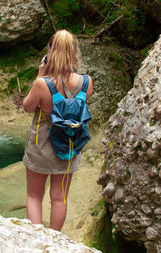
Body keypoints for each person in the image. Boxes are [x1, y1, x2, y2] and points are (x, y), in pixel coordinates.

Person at [22, 29, 93, 231]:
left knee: (34, 195)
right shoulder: (86, 82)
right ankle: (55, 243)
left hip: (41, 146)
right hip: (69, 145)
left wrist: (40, 75)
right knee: (60, 198)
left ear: (50, 52)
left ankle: (37, 240)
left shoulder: (41, 84)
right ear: (74, 53)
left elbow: (27, 107)